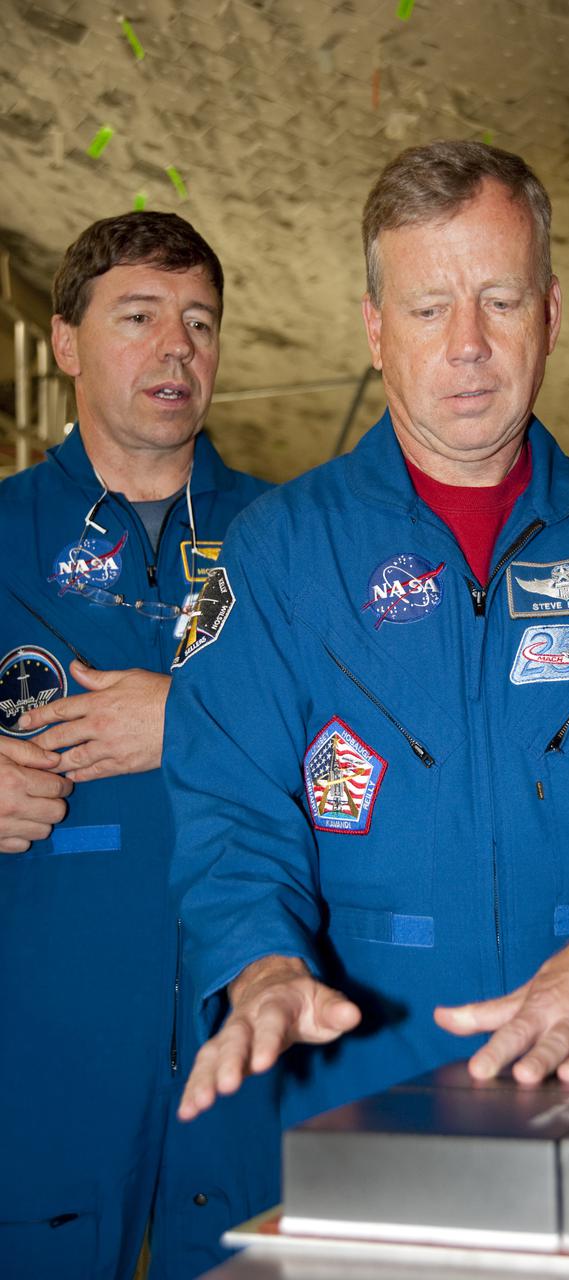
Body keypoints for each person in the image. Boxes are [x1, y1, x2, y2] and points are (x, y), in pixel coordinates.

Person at [164, 141, 569, 1132]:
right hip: (356, 1060)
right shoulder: (277, 549)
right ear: (374, 331)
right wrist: (262, 962)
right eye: (428, 308)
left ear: (552, 315)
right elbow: (228, 800)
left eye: (501, 300)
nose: (467, 342)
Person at [0, 211, 282, 1280]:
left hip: (245, 1044)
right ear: (65, 342)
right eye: (140, 316)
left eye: (200, 321)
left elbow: (378, 754)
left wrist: (187, 719)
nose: (178, 347)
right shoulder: (2, 538)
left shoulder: (290, 540)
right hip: (40, 1059)